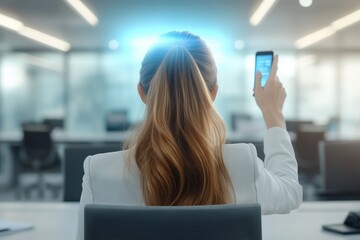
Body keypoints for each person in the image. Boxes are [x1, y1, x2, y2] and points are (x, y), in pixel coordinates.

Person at [76, 31, 302, 239]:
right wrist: (273, 114)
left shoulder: (98, 172)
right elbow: (290, 192)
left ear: (142, 93)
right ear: (212, 93)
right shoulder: (242, 162)